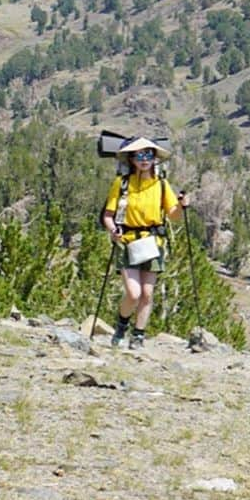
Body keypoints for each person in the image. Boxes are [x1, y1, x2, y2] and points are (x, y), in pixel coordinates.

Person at [101, 136, 189, 350]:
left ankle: (138, 335)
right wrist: (113, 230)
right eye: (139, 155)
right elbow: (108, 215)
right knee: (134, 293)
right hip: (128, 243)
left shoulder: (161, 185)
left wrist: (182, 205)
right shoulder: (121, 184)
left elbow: (173, 215)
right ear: (131, 159)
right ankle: (122, 325)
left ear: (154, 158)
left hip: (153, 243)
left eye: (148, 154)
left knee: (147, 293)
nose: (144, 159)